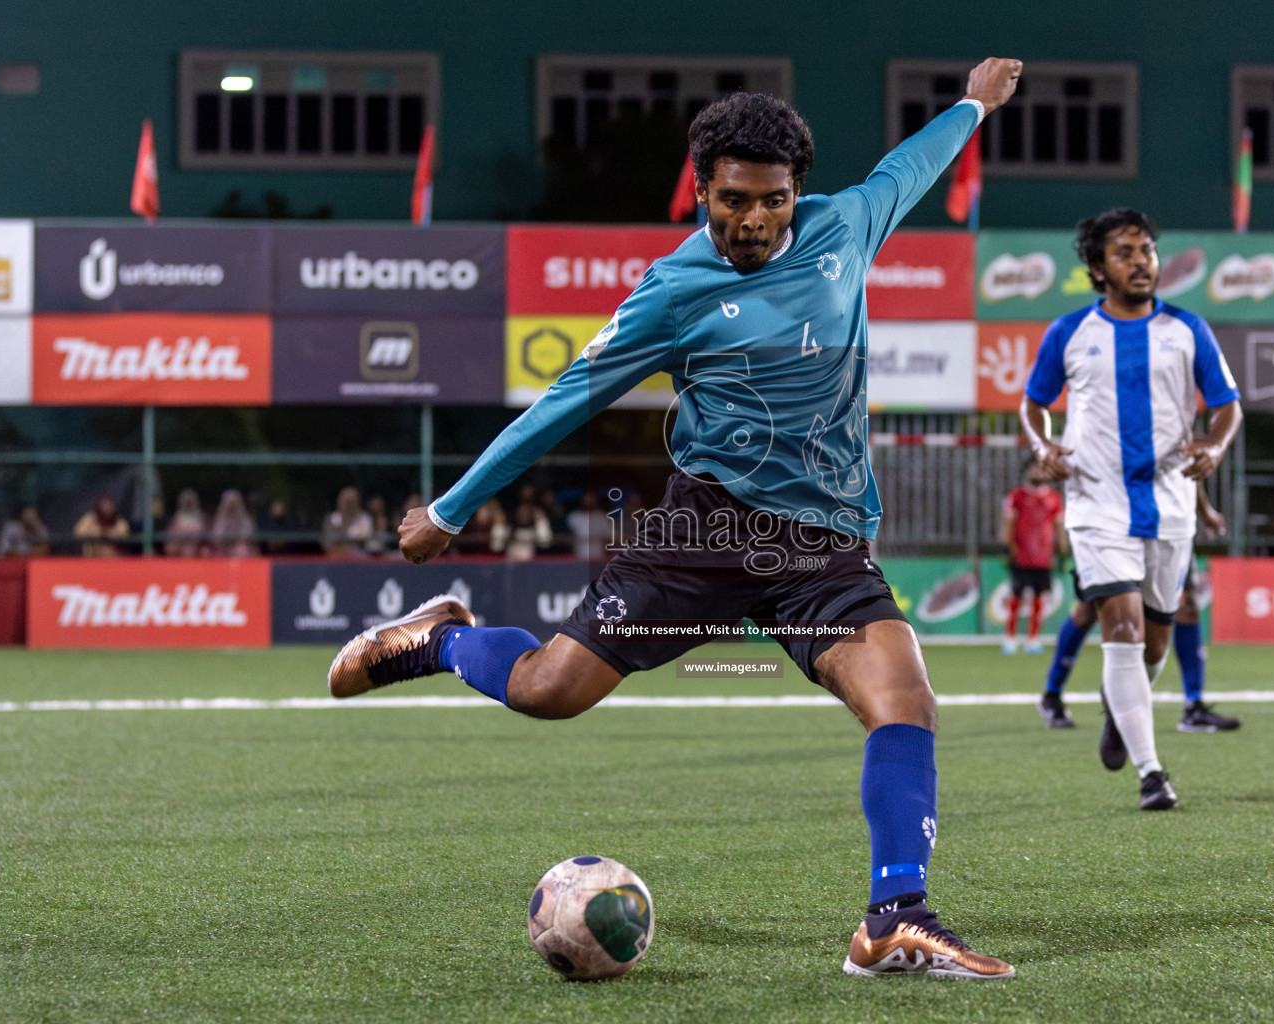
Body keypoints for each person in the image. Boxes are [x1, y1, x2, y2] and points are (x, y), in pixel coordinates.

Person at [328, 64, 1025, 981]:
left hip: (821, 547)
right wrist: (451, 508)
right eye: (731, 200)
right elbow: (563, 404)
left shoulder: (845, 226)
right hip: (702, 535)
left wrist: (973, 103)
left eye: (770, 202)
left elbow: (916, 162)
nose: (750, 221)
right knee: (549, 690)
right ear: (702, 189)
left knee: (904, 698)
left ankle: (894, 919)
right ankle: (441, 640)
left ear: (795, 196)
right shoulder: (671, 290)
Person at [1021, 207, 1243, 811]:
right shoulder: (1068, 332)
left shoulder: (1188, 329)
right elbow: (1034, 404)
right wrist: (1044, 447)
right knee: (1120, 627)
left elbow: (1227, 405)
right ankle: (1152, 773)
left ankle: (1123, 713)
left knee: (1154, 640)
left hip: (1171, 506)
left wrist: (1216, 447)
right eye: (1124, 252)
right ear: (1098, 267)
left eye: (1146, 249)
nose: (1140, 261)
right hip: (1095, 503)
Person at [1037, 488, 1240, 733]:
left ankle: (1193, 705)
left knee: (1187, 608)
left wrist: (1205, 510)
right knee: (1089, 609)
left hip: (1169, 527)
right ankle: (1052, 693)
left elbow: (1185, 466)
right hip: (1113, 525)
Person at [999, 461, 1065, 655]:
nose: (1037, 472)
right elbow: (1008, 523)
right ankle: (1010, 637)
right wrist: (1007, 547)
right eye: (1034, 468)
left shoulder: (1054, 498)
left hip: (1044, 557)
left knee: (1039, 596)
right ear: (1026, 472)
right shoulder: (1016, 496)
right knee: (1016, 595)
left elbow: (1059, 526)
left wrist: (1063, 550)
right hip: (1021, 555)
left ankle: (1033, 638)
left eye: (1041, 468)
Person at [320, 486, 373, 559]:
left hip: (358, 561)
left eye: (351, 501)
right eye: (345, 501)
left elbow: (362, 542)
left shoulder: (364, 519)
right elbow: (327, 544)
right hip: (334, 560)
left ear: (358, 502)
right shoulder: (331, 519)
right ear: (339, 501)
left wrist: (341, 544)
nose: (348, 505)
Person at [209, 489, 257, 557]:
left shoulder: (243, 517)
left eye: (234, 503)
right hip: (223, 546)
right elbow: (216, 535)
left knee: (242, 550)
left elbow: (248, 532)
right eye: (230, 503)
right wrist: (226, 538)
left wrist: (236, 538)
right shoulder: (221, 517)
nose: (232, 506)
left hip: (238, 544)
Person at [567, 489, 613, 561]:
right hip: (578, 558)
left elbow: (611, 537)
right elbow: (568, 538)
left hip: (598, 558)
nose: (589, 500)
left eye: (592, 498)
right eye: (587, 497)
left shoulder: (601, 516)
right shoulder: (574, 516)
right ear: (582, 499)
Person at [165, 488, 208, 557]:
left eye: (190, 502)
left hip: (196, 555)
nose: (189, 505)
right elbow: (170, 543)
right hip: (180, 555)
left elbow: (205, 539)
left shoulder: (200, 518)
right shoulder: (177, 518)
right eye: (187, 502)